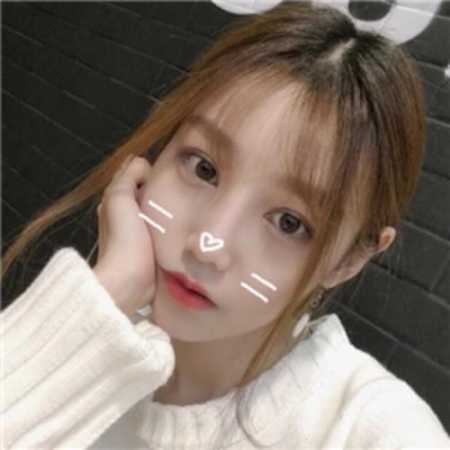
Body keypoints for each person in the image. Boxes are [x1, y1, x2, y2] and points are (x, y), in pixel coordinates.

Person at [1, 2, 449, 449]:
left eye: (289, 222)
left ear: (349, 259)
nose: (207, 246)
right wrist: (106, 298)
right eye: (204, 168)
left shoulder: (376, 432)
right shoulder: (94, 337)